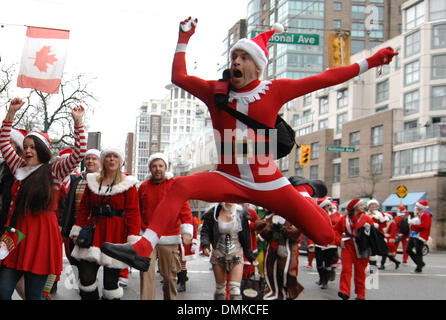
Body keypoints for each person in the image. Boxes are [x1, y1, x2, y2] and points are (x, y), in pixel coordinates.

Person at [101, 17, 398, 271]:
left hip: (269, 183)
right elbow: (178, 76)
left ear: (258, 67)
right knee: (181, 185)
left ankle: (304, 192)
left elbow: (326, 78)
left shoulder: (275, 90)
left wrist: (371, 61)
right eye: (234, 58)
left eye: (243, 58)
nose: (236, 63)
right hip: (228, 178)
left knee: (323, 236)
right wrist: (183, 39)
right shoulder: (214, 91)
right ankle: (142, 249)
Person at [0, 97, 86, 300]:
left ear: (42, 148)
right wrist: (11, 113)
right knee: (3, 291)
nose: (28, 150)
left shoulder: (55, 170)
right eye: (26, 146)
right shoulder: (18, 165)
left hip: (42, 236)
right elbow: (4, 141)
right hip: (15, 233)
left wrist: (78, 123)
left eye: (33, 146)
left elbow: (80, 152)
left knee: (33, 295)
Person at [69, 147, 140, 300]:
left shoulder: (128, 183)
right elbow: (84, 209)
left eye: (115, 156)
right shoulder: (93, 181)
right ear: (103, 160)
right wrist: (77, 231)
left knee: (110, 282)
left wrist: (132, 239)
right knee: (86, 278)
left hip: (117, 234)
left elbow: (133, 213)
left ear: (121, 161)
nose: (112, 159)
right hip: (93, 231)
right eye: (108, 156)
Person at [137, 153, 194, 300]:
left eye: (160, 166)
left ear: (166, 167)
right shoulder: (143, 187)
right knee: (146, 273)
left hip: (169, 236)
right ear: (150, 168)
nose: (157, 169)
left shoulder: (175, 185)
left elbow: (185, 210)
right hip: (147, 236)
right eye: (154, 166)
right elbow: (136, 210)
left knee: (169, 276)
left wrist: (187, 231)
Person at [200, 202, 256, 300]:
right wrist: (205, 246)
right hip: (218, 255)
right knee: (220, 290)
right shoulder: (213, 212)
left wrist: (250, 256)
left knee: (235, 291)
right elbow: (206, 231)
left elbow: (245, 236)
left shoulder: (241, 212)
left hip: (236, 254)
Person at [255, 209, 303, 300]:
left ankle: (290, 291)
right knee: (270, 271)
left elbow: (297, 232)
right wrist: (270, 228)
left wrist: (284, 229)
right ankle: (274, 293)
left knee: (286, 272)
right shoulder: (269, 215)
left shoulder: (292, 215)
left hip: (288, 247)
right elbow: (260, 226)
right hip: (272, 247)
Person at [334, 198, 375, 300]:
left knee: (360, 272)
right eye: (361, 205)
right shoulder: (344, 218)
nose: (363, 207)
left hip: (362, 248)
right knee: (346, 269)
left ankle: (361, 294)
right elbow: (335, 231)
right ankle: (344, 291)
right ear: (355, 207)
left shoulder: (367, 218)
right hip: (347, 246)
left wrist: (368, 231)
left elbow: (373, 234)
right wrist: (340, 241)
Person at [314, 196, 340, 289]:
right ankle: (321, 278)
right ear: (323, 207)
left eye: (330, 205)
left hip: (331, 244)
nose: (330, 206)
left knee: (328, 264)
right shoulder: (316, 216)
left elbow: (338, 227)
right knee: (319, 264)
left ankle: (325, 281)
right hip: (319, 243)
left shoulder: (334, 215)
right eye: (328, 205)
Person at [406, 200, 432, 273]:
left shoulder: (426, 215)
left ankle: (418, 268)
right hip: (413, 235)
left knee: (418, 252)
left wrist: (413, 226)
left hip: (420, 236)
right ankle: (420, 263)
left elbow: (424, 226)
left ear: (421, 207)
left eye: (418, 206)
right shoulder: (419, 214)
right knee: (408, 250)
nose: (416, 207)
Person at [366, 199, 388, 271]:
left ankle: (378, 264)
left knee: (377, 249)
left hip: (377, 233)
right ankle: (371, 264)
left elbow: (384, 224)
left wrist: (377, 225)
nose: (373, 206)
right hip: (368, 233)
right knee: (369, 249)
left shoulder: (380, 214)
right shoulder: (366, 214)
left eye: (374, 205)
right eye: (371, 205)